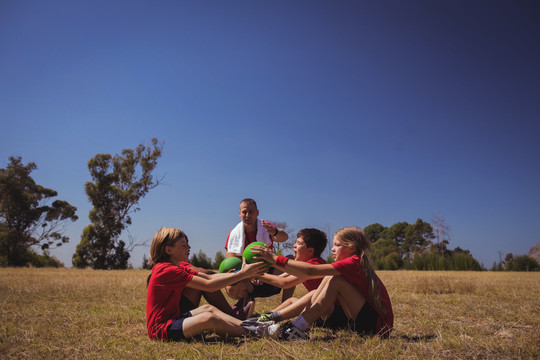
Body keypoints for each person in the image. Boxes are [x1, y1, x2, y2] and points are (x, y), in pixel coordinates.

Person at [251, 226, 394, 340]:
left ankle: (296, 328)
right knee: (325, 281)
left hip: (377, 327)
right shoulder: (350, 263)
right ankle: (286, 324)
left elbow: (308, 272)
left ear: (351, 247)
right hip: (362, 323)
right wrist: (260, 271)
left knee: (334, 279)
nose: (332, 249)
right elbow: (287, 276)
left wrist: (275, 259)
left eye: (337, 245)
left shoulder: (354, 261)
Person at [146, 227, 279, 341]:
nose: (189, 248)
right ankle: (255, 332)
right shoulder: (166, 270)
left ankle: (248, 324)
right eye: (184, 245)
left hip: (174, 318)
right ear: (168, 250)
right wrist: (244, 274)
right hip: (161, 330)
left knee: (208, 309)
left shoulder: (173, 267)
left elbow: (207, 277)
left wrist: (240, 274)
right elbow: (208, 285)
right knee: (208, 318)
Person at [224, 198, 291, 308]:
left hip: (271, 277)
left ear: (257, 213)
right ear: (239, 214)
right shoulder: (233, 235)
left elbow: (284, 237)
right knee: (230, 286)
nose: (248, 215)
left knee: (291, 259)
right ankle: (246, 305)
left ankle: (285, 306)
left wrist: (275, 231)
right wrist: (248, 275)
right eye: (244, 212)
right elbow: (230, 265)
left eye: (251, 211)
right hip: (248, 280)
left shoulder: (265, 227)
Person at [251, 228, 328, 323]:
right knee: (291, 301)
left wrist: (256, 274)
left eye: (299, 243)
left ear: (310, 251)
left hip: (326, 313)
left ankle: (271, 318)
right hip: (319, 308)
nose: (294, 245)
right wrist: (262, 276)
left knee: (312, 295)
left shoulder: (315, 265)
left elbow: (285, 283)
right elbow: (281, 278)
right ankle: (265, 316)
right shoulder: (303, 264)